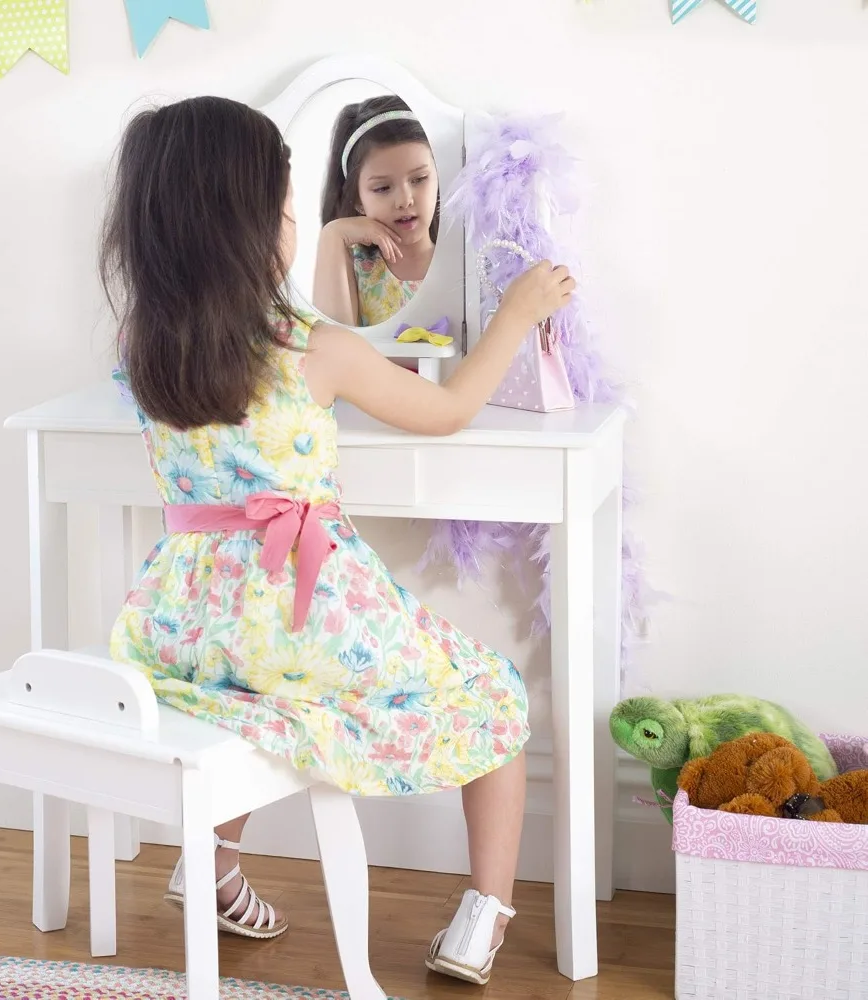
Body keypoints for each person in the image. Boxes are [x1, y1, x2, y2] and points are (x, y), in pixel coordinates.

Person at [99, 94, 574, 985]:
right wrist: (515, 314)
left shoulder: (142, 345)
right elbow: (448, 410)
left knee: (247, 697)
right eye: (285, 213)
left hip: (181, 622)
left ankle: (212, 864)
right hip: (299, 613)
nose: (290, 225)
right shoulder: (313, 348)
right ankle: (482, 918)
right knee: (492, 694)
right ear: (247, 227)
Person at [313, 95, 437, 327]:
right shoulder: (357, 268)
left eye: (419, 179)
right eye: (382, 188)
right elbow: (334, 343)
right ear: (358, 200)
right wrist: (333, 234)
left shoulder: (464, 260)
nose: (405, 200)